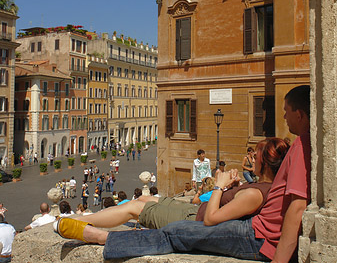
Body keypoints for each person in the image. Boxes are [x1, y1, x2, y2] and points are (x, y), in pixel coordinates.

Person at [55, 85, 310, 263]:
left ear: (299, 114)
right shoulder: (300, 147)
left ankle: (103, 238)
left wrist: (221, 187)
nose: (284, 116)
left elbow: (296, 208)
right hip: (250, 229)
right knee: (152, 211)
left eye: (286, 111)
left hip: (257, 236)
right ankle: (96, 228)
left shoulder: (298, 149)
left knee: (176, 231)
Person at [54, 137, 287, 241]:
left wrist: (219, 185)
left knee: (136, 206)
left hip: (194, 219)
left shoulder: (255, 193)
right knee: (147, 201)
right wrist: (233, 186)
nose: (251, 157)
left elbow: (212, 218)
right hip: (192, 212)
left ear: (265, 161)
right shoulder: (259, 187)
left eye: (255, 155)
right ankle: (84, 218)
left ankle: (83, 222)